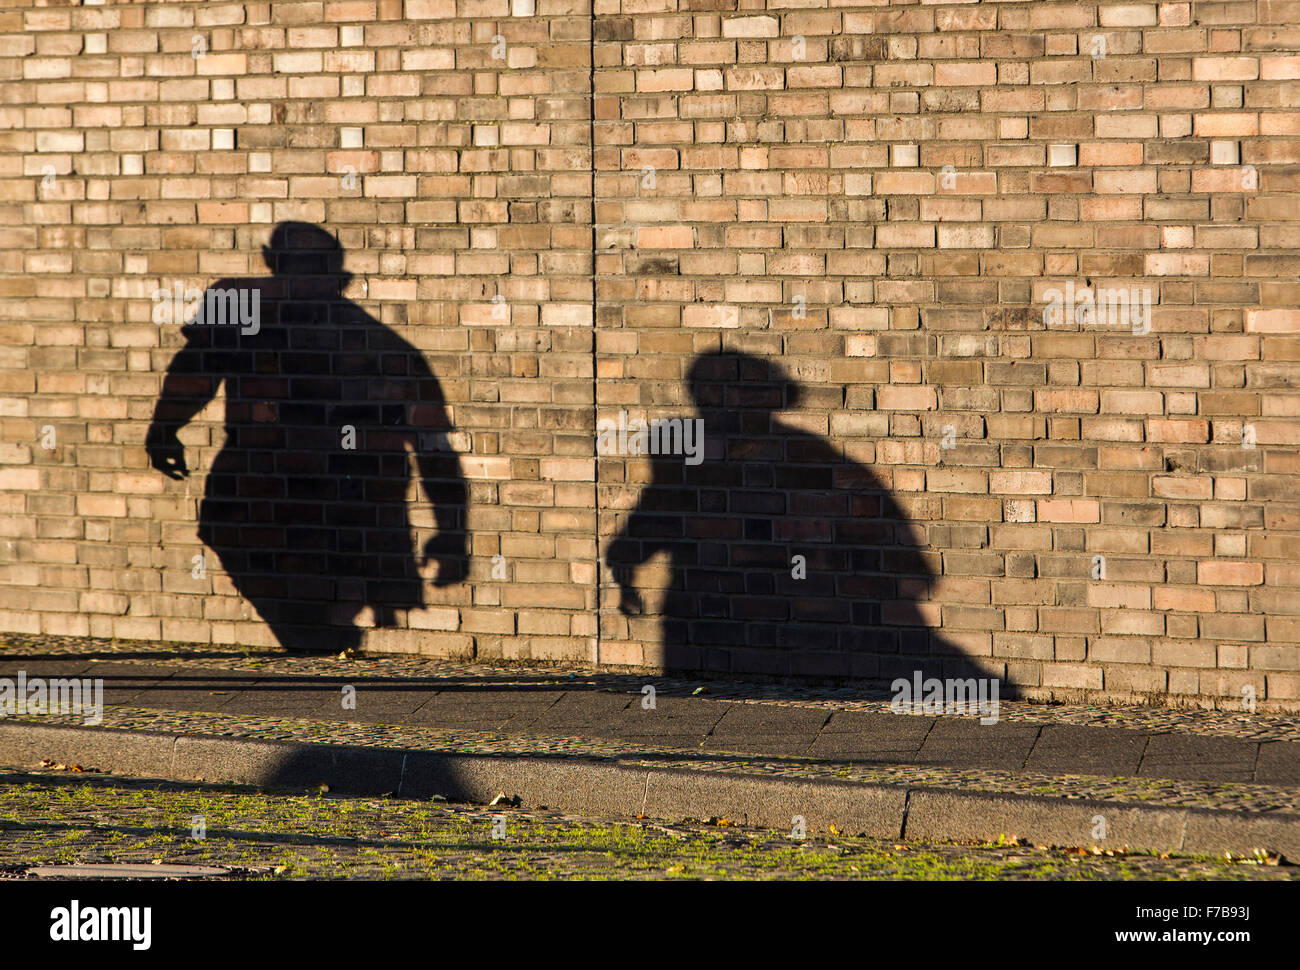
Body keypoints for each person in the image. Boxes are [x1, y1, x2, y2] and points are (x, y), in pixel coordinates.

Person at [146, 222, 466, 653]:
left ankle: (313, 633)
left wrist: (164, 429)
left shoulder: (356, 335)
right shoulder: (253, 305)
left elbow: (196, 372)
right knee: (246, 537)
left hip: (312, 476)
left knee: (280, 546)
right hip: (283, 474)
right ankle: (312, 632)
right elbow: (196, 372)